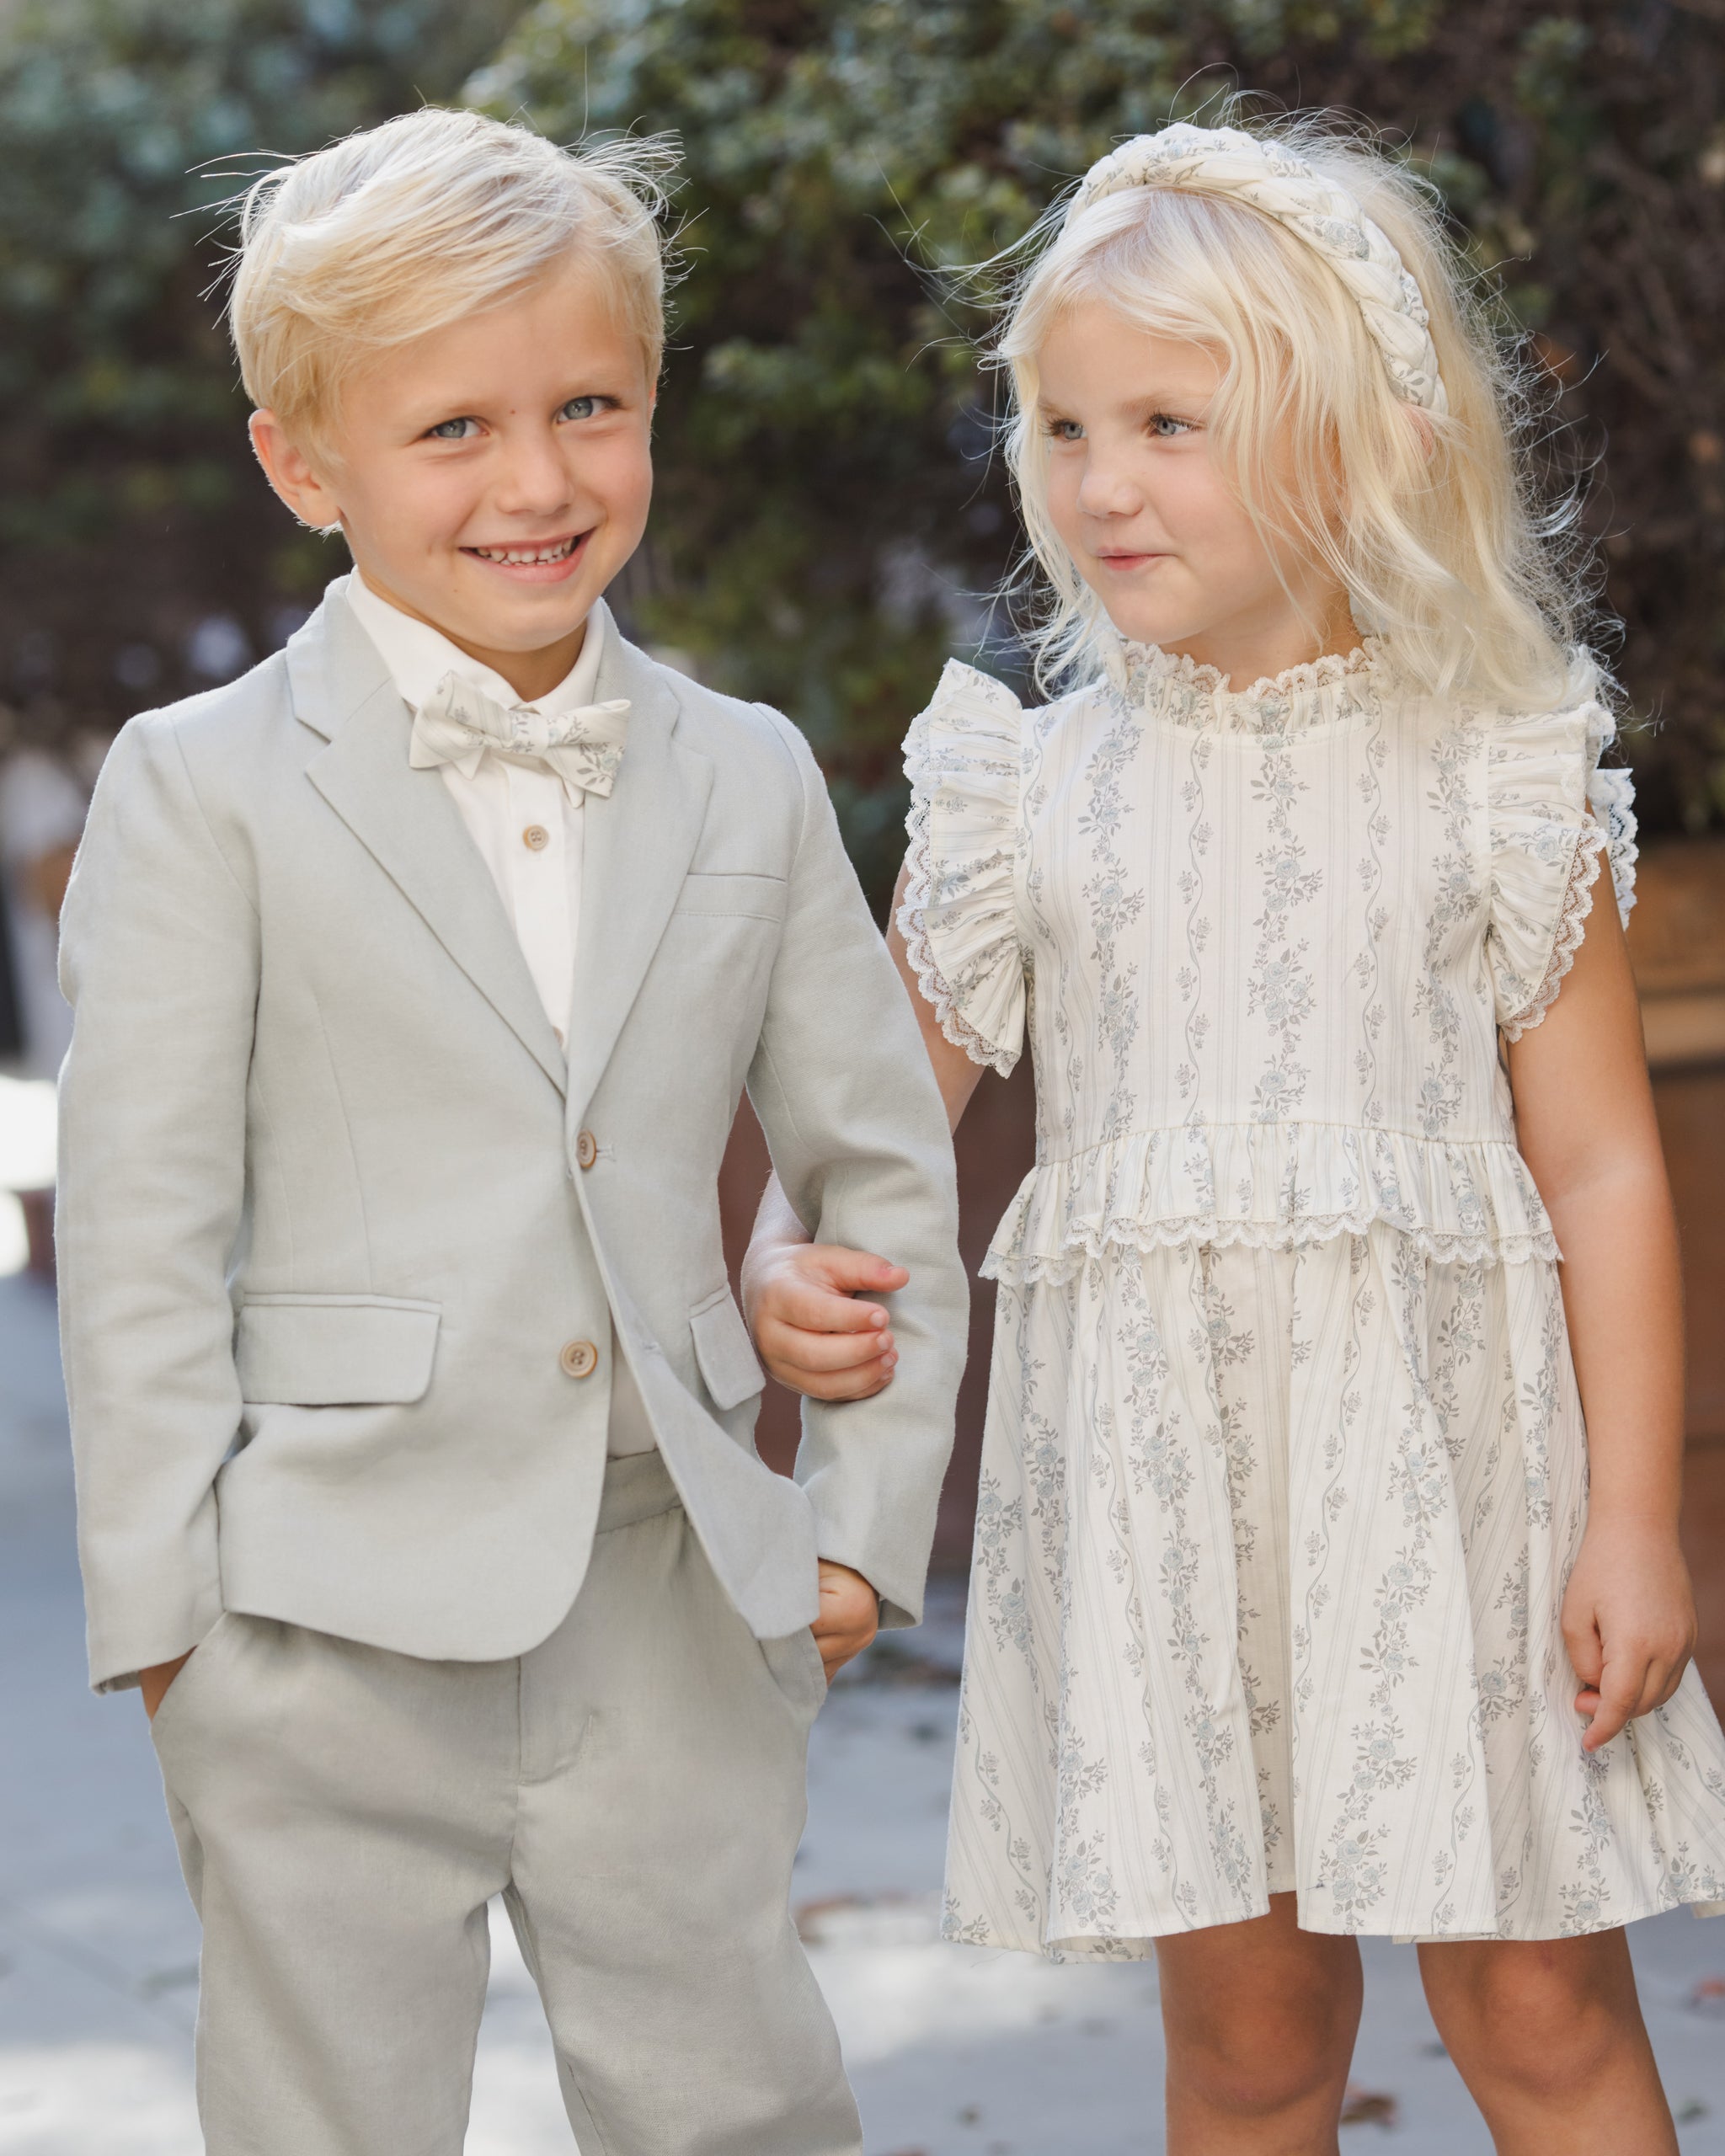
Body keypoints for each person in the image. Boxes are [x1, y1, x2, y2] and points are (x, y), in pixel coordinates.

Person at [745, 114, 1725, 2154]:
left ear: (1357, 438)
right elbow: (873, 1131)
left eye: (1170, 424)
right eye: (1066, 426)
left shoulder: (1493, 769)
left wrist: (1633, 1516)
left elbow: (1607, 1167)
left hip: (1463, 1507)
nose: (1102, 483)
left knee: (1539, 2012)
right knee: (1253, 2047)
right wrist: (786, 1264)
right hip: (1169, 1519)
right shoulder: (1031, 786)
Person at [56, 108, 967, 2156]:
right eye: (452, 429)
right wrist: (169, 1630)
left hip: (666, 1590)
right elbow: (138, 1225)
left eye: (586, 408)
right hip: (317, 1617)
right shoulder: (199, 786)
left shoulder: (742, 777)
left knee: (739, 2104)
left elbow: (879, 1167)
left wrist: (859, 1521)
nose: (538, 479)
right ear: (306, 463)